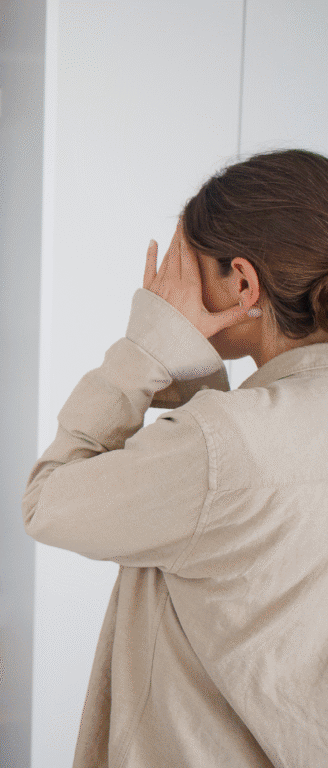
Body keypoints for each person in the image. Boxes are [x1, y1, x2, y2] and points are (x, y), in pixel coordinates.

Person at [22, 149, 328, 767]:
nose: (168, 289)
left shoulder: (225, 442)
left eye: (182, 270)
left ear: (243, 283)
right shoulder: (236, 435)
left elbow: (47, 503)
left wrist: (146, 348)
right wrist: (199, 384)